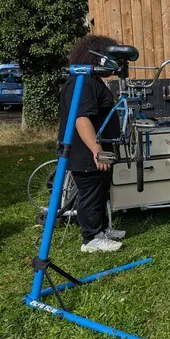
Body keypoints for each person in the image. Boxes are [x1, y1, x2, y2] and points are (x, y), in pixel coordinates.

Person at [58, 34, 125, 253]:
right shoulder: (83, 81)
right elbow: (81, 119)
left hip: (99, 147)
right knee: (91, 192)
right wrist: (96, 149)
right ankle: (91, 238)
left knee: (101, 189)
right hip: (86, 151)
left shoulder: (92, 80)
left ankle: (102, 229)